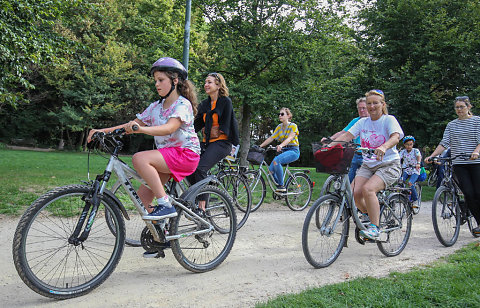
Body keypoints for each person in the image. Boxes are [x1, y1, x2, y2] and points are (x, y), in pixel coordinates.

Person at [87, 57, 201, 222]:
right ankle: (162, 236)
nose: (157, 84)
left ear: (175, 81)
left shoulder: (183, 104)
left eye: (161, 80)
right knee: (143, 198)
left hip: (186, 154)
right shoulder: (155, 107)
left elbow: (169, 128)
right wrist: (101, 131)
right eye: (155, 80)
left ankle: (165, 204)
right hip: (167, 157)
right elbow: (130, 126)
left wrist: (141, 129)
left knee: (140, 158)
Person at [329, 89, 403, 240]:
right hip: (368, 165)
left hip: (388, 164)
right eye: (369, 103)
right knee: (354, 193)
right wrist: (330, 146)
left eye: (375, 103)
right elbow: (347, 135)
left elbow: (395, 137)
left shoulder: (389, 120)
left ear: (383, 104)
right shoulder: (363, 122)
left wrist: (383, 147)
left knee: (368, 189)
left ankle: (374, 228)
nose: (372, 106)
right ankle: (372, 216)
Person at [425, 96, 480, 234]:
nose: (459, 109)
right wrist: (433, 155)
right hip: (459, 163)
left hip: (475, 162)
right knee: (468, 192)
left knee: (478, 193)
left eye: (462, 106)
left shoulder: (477, 121)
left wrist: (476, 152)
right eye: (457, 107)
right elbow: (444, 143)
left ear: (468, 107)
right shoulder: (452, 125)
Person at [187, 72, 239, 211]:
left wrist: (215, 129)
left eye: (209, 82)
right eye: (205, 82)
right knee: (189, 168)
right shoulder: (204, 104)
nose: (206, 85)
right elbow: (196, 125)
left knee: (200, 168)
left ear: (218, 85)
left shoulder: (225, 102)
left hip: (222, 143)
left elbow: (227, 124)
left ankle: (202, 207)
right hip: (207, 143)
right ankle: (202, 192)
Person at [326, 97, 369, 182]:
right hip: (356, 154)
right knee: (348, 179)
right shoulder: (356, 121)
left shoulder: (372, 121)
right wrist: (329, 139)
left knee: (364, 182)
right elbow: (343, 133)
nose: (361, 110)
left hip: (368, 156)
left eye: (364, 108)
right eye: (359, 108)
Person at [259, 108, 300, 192]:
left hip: (293, 151)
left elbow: (290, 138)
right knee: (270, 171)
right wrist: (260, 146)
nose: (279, 116)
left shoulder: (293, 126)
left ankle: (281, 186)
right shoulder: (279, 127)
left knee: (276, 161)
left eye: (282, 114)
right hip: (284, 150)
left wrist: (281, 145)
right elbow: (271, 138)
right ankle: (280, 187)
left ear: (288, 116)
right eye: (279, 114)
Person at [399, 135, 422, 203]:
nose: (409, 146)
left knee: (410, 183)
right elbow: (398, 158)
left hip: (415, 170)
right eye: (407, 144)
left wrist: (418, 163)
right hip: (406, 169)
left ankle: (415, 199)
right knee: (401, 181)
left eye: (410, 144)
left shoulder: (415, 150)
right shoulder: (403, 151)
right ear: (404, 144)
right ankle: (403, 196)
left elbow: (418, 156)